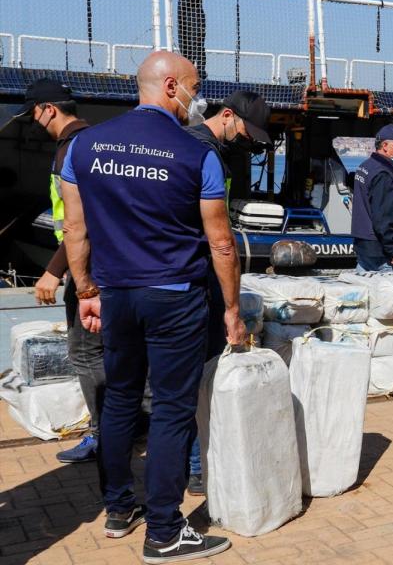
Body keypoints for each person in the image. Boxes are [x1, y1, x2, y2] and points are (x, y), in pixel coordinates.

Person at [60, 51, 241, 562]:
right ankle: (163, 530)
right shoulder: (195, 154)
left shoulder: (84, 146)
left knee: (118, 399)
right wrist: (231, 309)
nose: (195, 100)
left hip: (115, 295)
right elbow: (221, 243)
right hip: (176, 298)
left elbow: (75, 228)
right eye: (193, 87)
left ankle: (119, 509)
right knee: (171, 411)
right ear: (171, 88)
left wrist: (86, 291)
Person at [184, 90, 271, 496]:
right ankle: (200, 467)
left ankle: (193, 463)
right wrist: (231, 306)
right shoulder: (204, 152)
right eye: (245, 130)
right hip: (199, 279)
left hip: (185, 275)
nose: (246, 140)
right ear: (228, 115)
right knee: (202, 375)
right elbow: (219, 240)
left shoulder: (198, 146)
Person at [18, 79, 98, 463]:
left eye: (33, 113)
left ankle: (103, 434)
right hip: (86, 263)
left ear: (49, 108)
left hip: (88, 270)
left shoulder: (72, 149)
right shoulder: (87, 142)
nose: (33, 122)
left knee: (86, 354)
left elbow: (81, 222)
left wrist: (54, 271)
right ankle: (119, 426)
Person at [351, 124, 393, 272]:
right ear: (385, 145)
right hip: (382, 251)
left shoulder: (365, 166)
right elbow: (384, 218)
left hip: (364, 244)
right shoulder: (383, 175)